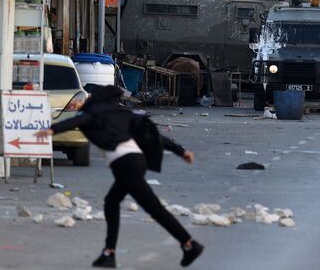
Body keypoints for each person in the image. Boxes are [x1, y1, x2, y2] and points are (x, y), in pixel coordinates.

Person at [34, 85, 203, 268]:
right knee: (112, 202)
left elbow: (77, 121)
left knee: (153, 208)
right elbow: (156, 137)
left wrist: (51, 130)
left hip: (126, 165)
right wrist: (181, 151)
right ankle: (109, 253)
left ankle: (189, 244)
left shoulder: (95, 112)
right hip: (136, 162)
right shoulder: (124, 115)